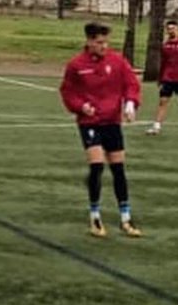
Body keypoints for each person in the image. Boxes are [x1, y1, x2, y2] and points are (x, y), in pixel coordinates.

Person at [59, 21, 144, 239]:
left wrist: (130, 104)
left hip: (112, 122)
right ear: (89, 41)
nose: (104, 46)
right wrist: (80, 106)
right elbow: (68, 92)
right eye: (99, 42)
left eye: (106, 42)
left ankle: (125, 217)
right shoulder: (76, 65)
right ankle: (95, 216)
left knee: (118, 169)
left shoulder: (117, 61)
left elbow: (131, 84)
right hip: (90, 122)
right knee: (97, 166)